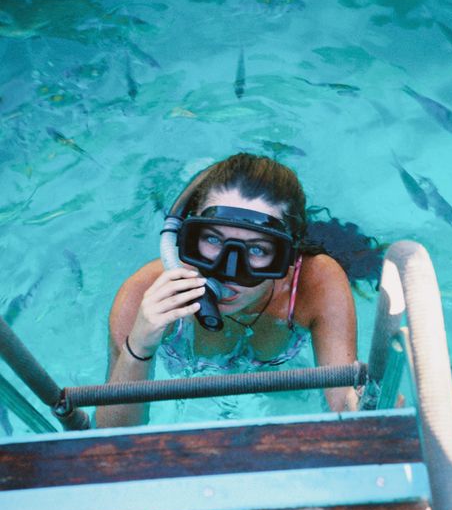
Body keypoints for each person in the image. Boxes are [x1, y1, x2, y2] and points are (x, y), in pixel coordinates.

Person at [96, 153, 360, 428]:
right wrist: (140, 345)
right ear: (186, 238)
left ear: (286, 257)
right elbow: (112, 434)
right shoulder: (142, 295)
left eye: (257, 249)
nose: (228, 270)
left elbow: (343, 403)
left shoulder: (313, 284)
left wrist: (361, 407)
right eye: (212, 239)